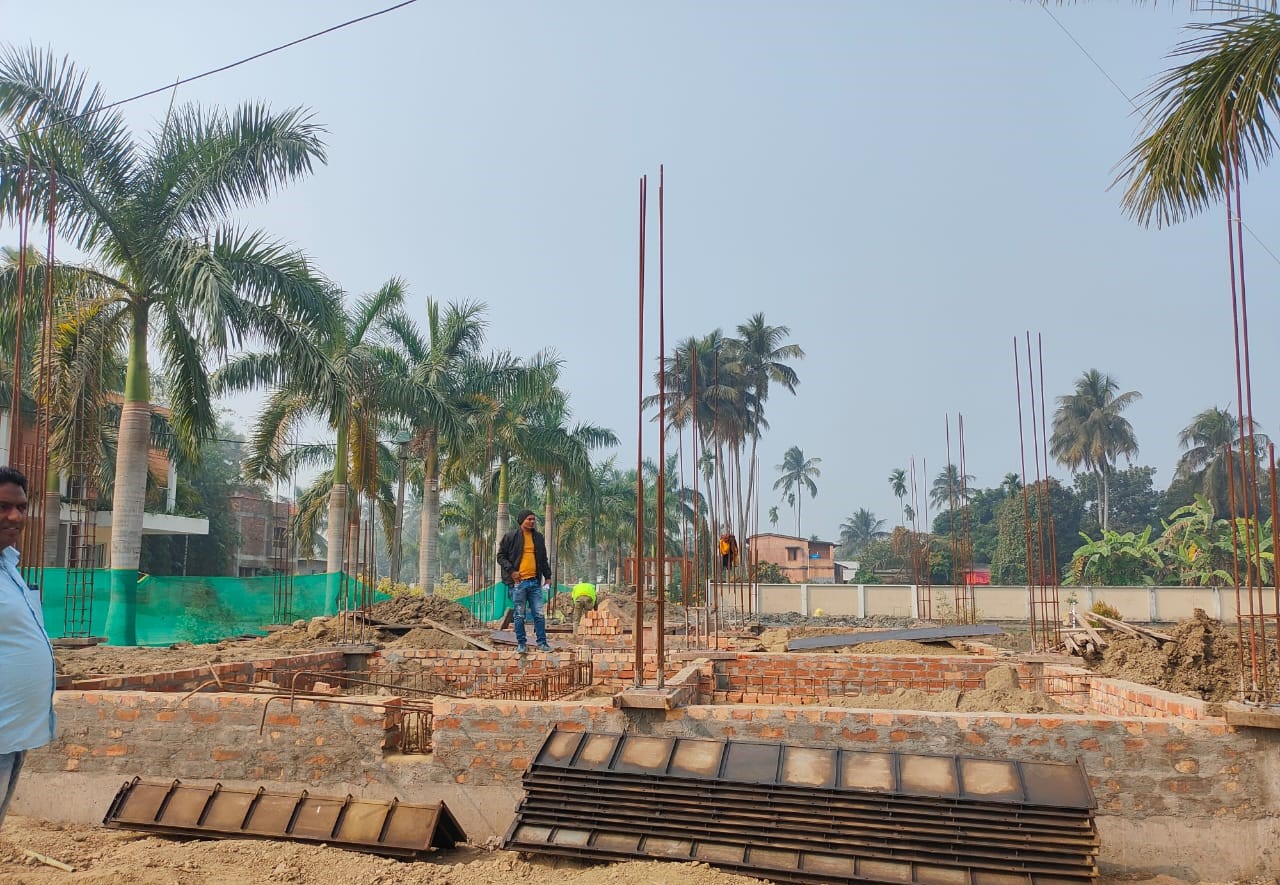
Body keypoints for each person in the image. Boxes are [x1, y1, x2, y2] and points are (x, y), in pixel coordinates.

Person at [0, 467, 56, 830]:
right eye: (3, 507)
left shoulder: (9, 566)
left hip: (12, 735)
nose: (15, 516)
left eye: (21, 507)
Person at [496, 509, 552, 654]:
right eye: (529, 519)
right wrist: (512, 571)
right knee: (519, 615)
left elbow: (543, 559)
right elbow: (501, 556)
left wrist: (548, 577)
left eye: (533, 519)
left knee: (539, 614)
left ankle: (542, 643)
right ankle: (521, 644)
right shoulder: (511, 537)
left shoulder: (538, 538)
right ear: (521, 521)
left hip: (534, 582)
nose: (532, 522)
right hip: (518, 583)